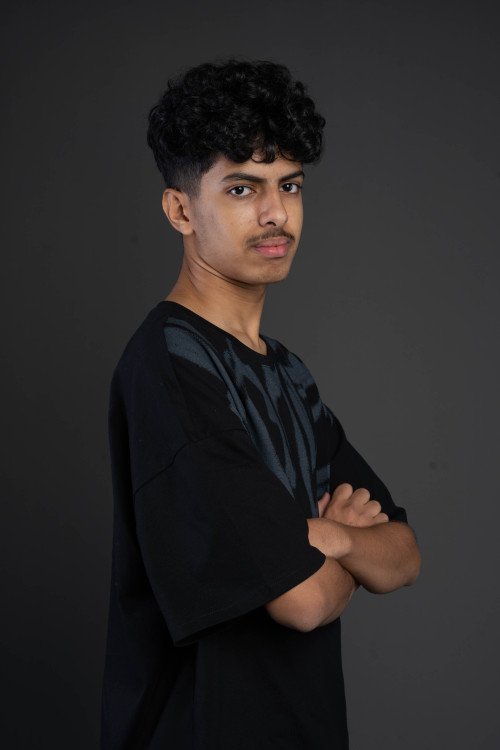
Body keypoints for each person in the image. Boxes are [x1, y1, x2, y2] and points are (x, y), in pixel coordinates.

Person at [101, 59, 421, 749]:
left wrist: (330, 538)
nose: (276, 213)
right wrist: (340, 557)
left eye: (290, 185)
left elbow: (403, 555)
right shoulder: (172, 365)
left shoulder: (289, 374)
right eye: (243, 188)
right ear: (180, 210)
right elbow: (304, 602)